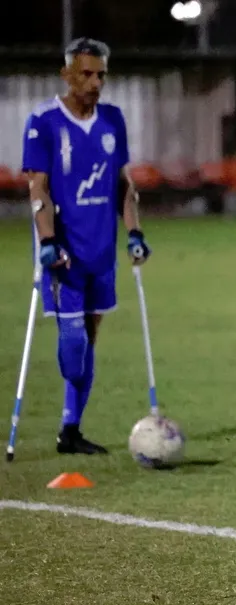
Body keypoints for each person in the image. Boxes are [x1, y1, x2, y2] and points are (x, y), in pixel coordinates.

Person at [21, 37, 151, 455]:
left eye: (101, 75)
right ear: (66, 74)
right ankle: (69, 422)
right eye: (86, 74)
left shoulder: (113, 120)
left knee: (90, 334)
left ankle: (70, 429)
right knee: (73, 340)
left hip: (101, 251)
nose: (95, 83)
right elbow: (37, 188)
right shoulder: (43, 122)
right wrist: (46, 241)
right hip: (62, 253)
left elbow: (123, 184)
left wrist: (134, 233)